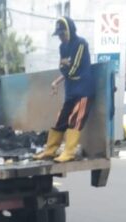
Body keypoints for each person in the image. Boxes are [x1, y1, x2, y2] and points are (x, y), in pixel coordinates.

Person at [33, 17, 95, 163]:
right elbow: (63, 68)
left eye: (63, 34)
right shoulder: (62, 47)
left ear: (70, 31)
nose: (61, 37)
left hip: (84, 91)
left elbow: (73, 68)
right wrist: (58, 79)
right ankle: (50, 150)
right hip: (71, 92)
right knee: (60, 120)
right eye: (59, 35)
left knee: (75, 120)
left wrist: (65, 68)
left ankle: (69, 152)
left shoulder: (80, 44)